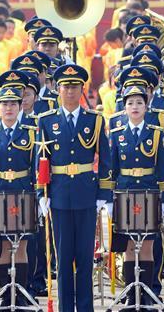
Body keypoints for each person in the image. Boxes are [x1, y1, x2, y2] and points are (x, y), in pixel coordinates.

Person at [36, 63, 112, 312]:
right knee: (63, 257)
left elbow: (105, 159)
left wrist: (103, 194)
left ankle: (86, 307)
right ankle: (66, 307)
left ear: (82, 89)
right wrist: (41, 193)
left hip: (86, 193)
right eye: (66, 86)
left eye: (75, 86)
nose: (70, 91)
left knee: (84, 257)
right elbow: (40, 161)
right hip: (57, 194)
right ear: (58, 89)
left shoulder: (95, 120)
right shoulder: (46, 121)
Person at [107, 84, 164, 307]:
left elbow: (162, 168)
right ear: (124, 107)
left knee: (147, 246)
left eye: (139, 103)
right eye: (130, 103)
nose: (135, 107)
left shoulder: (155, 132)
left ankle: (147, 294)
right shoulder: (117, 134)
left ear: (146, 106)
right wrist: (109, 198)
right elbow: (111, 168)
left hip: (148, 191)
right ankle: (131, 295)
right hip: (125, 192)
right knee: (129, 246)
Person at [0, 86, 38, 303]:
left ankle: (19, 293)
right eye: (5, 104)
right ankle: (4, 294)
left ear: (21, 107)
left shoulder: (31, 131)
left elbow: (36, 167)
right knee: (1, 246)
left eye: (13, 104)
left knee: (21, 245)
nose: (9, 108)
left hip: (23, 194)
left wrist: (38, 198)